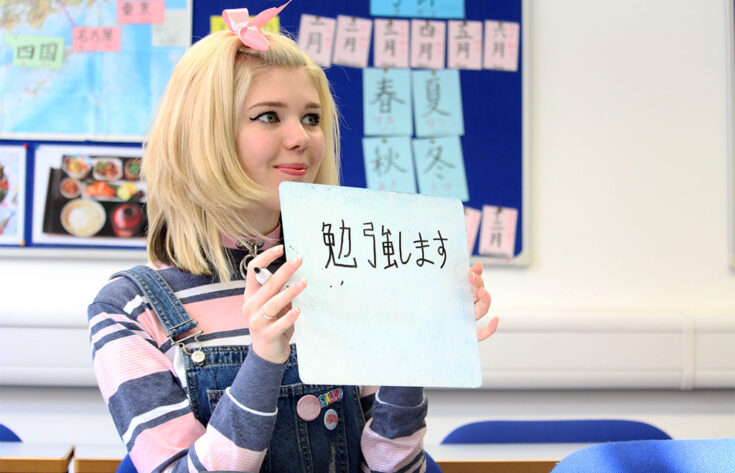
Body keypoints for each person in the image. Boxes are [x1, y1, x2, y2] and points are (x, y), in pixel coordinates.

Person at [87, 3, 499, 473]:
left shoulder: (350, 270)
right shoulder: (127, 307)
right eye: (268, 117)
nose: (301, 138)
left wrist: (417, 347)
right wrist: (264, 360)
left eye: (311, 117)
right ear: (202, 136)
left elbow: (393, 467)